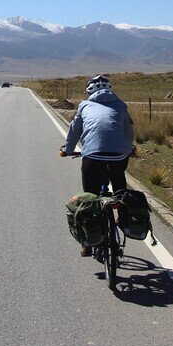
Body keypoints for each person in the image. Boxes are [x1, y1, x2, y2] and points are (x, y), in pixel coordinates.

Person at [60, 75, 135, 255]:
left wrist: (67, 150)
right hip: (118, 155)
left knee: (90, 197)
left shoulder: (85, 106)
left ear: (88, 91)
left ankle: (87, 243)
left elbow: (74, 131)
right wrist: (129, 149)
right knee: (119, 187)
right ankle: (123, 217)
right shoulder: (121, 105)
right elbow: (129, 132)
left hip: (92, 156)